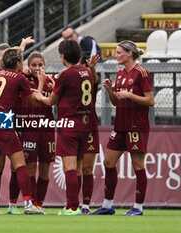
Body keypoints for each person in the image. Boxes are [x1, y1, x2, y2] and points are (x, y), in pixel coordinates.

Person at [91, 40, 154, 216]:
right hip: (120, 126)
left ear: (129, 53)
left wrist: (130, 94)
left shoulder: (142, 73)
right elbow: (116, 102)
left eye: (119, 52)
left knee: (138, 165)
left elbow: (150, 100)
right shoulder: (120, 74)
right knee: (108, 162)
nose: (116, 55)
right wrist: (111, 91)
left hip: (136, 126)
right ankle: (108, 205)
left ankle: (138, 207)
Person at [35, 40, 96, 215]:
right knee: (77, 168)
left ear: (62, 56)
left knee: (69, 168)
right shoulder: (86, 71)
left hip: (69, 125)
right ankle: (72, 205)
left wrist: (39, 94)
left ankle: (73, 207)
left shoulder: (66, 74)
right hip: (85, 125)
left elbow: (49, 101)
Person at [0, 47, 44, 215]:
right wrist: (41, 83)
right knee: (20, 164)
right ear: (17, 63)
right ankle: (29, 204)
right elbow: (34, 102)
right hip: (3, 118)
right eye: (21, 61)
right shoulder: (20, 78)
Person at [7, 51, 55, 215]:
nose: (37, 68)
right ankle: (21, 204)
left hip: (47, 129)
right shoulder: (23, 80)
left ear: (44, 65)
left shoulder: (51, 81)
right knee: (29, 168)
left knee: (45, 169)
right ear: (27, 66)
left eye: (40, 65)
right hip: (28, 128)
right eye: (33, 65)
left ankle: (38, 204)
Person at [78, 54, 101, 215]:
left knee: (87, 169)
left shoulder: (89, 80)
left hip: (89, 128)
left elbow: (95, 81)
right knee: (72, 169)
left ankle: (85, 205)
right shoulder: (66, 78)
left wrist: (92, 68)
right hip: (72, 128)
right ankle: (71, 204)